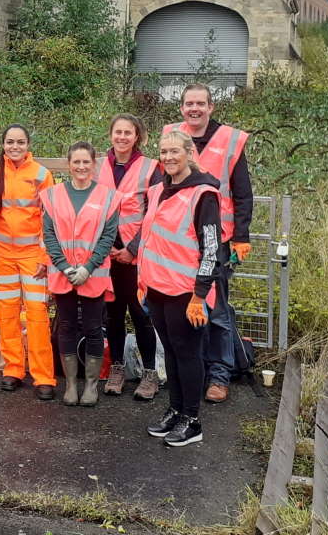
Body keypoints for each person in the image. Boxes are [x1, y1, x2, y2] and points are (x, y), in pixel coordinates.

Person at [160, 83, 253, 403]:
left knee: (216, 309)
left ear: (212, 107)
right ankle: (194, 369)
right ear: (182, 108)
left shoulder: (230, 140)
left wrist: (241, 235)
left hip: (218, 241)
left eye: (200, 103)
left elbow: (242, 192)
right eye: (188, 104)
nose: (194, 109)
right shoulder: (172, 135)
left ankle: (219, 374)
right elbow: (162, 185)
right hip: (179, 243)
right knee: (185, 308)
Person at [137, 130, 225, 447]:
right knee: (172, 353)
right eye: (163, 151)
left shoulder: (204, 195)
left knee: (188, 355)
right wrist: (143, 282)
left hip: (187, 294)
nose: (169, 157)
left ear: (189, 153)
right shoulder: (158, 190)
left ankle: (192, 420)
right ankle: (175, 410)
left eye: (175, 151)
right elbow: (151, 239)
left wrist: (199, 296)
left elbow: (212, 250)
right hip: (158, 290)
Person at [40, 142, 120, 407]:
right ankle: (71, 385)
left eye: (86, 162)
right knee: (66, 327)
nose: (81, 167)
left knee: (93, 328)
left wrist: (88, 267)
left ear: (94, 164)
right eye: (77, 162)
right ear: (69, 164)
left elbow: (108, 237)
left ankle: (91, 386)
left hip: (93, 274)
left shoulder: (109, 197)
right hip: (63, 273)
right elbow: (49, 235)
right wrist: (64, 266)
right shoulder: (51, 196)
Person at [0, 124, 57, 400]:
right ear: (3, 144)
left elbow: (48, 219)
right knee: (6, 314)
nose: (14, 147)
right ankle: (13, 369)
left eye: (20, 142)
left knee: (38, 315)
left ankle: (44, 376)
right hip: (1, 254)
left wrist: (44, 256)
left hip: (32, 257)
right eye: (9, 142)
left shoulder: (41, 174)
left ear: (28, 145)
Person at [96, 114, 163, 401]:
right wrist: (104, 248)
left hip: (136, 255)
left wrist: (132, 248)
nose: (122, 137)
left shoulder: (151, 168)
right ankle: (118, 369)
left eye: (128, 133)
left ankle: (150, 374)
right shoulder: (99, 165)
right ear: (110, 135)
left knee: (140, 314)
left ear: (138, 137)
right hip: (106, 255)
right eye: (118, 132)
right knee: (112, 314)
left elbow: (156, 211)